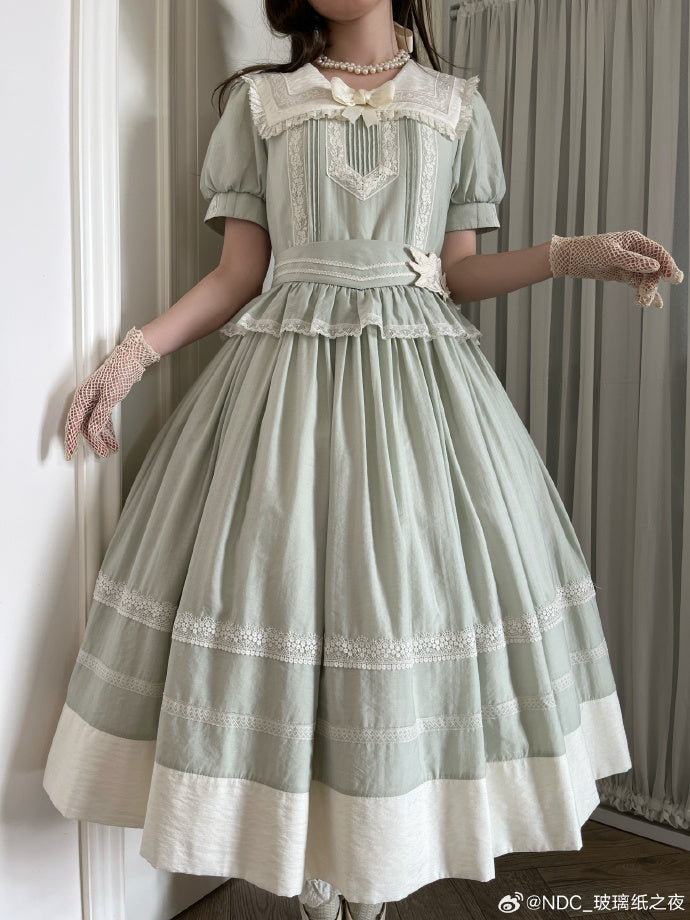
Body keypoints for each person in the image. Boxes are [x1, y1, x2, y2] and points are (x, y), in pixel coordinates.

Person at [42, 1, 684, 919]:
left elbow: (456, 273)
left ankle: (372, 868)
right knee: (282, 597)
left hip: (419, 392)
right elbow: (238, 276)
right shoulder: (262, 104)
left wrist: (571, 256)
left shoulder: (456, 106)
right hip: (285, 392)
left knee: (398, 611)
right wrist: (133, 355)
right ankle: (310, 872)